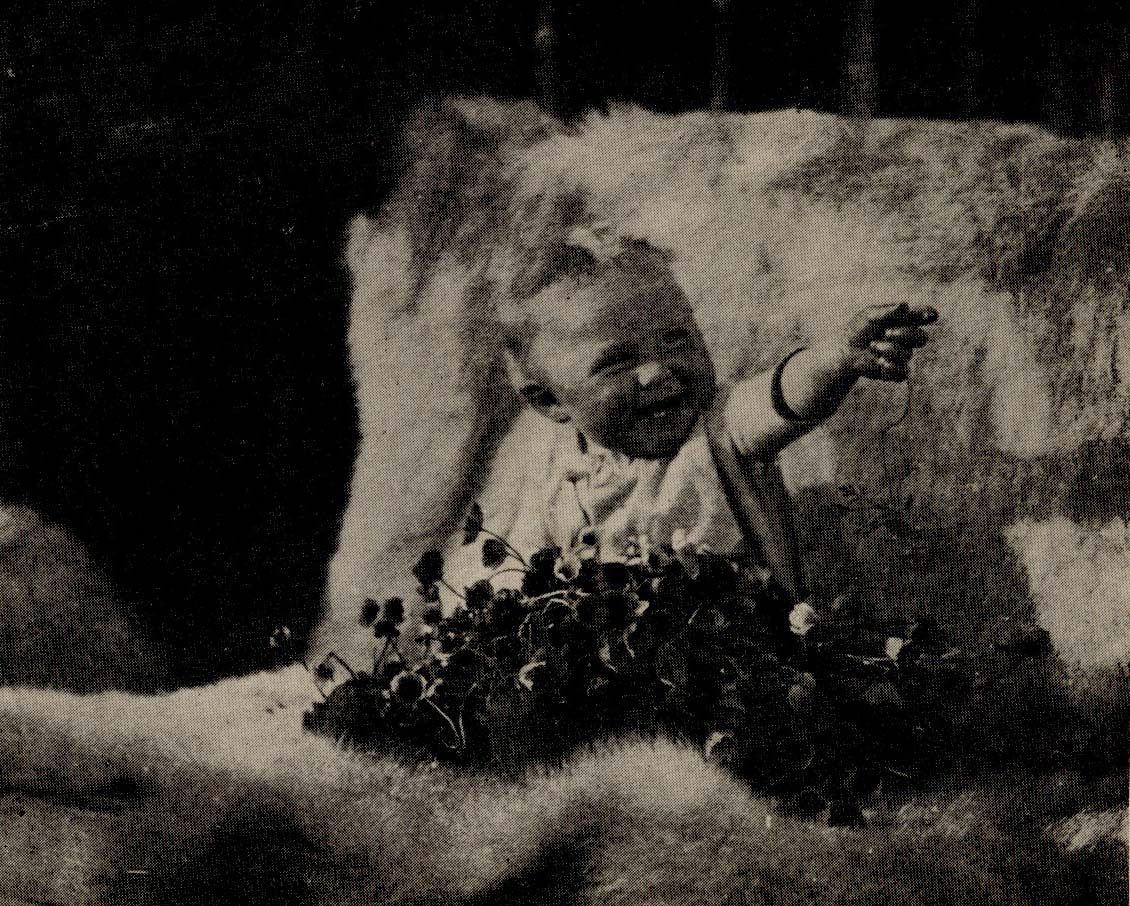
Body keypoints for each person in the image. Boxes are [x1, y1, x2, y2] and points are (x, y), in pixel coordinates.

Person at [440, 227, 936, 608]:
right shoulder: (556, 467)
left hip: (743, 667)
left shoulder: (719, 429)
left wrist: (835, 358)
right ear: (550, 402)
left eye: (678, 340)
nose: (657, 372)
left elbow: (781, 396)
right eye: (617, 362)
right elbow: (520, 560)